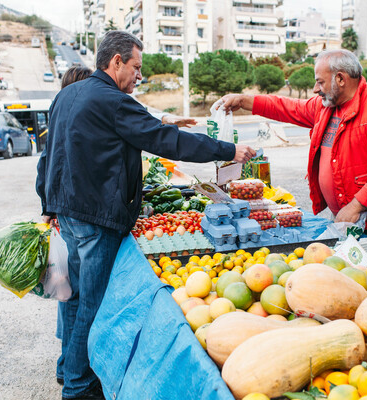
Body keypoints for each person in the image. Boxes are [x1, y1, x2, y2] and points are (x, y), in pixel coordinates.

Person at [37, 31, 255, 400]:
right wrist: (228, 150)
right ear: (116, 61)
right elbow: (165, 140)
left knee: (73, 299)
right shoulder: (113, 101)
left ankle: (67, 371)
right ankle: (77, 387)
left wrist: (49, 205)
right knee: (92, 302)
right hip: (95, 217)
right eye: (136, 67)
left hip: (69, 213)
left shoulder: (67, 95)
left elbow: (50, 155)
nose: (139, 76)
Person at [219, 49, 367, 238]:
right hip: (348, 216)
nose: (316, 89)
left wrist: (356, 205)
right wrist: (245, 101)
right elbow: (288, 107)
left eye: (320, 82)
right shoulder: (327, 107)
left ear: (340, 79)